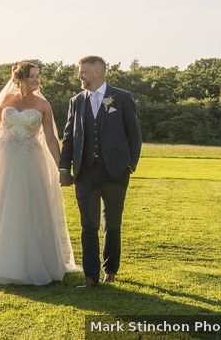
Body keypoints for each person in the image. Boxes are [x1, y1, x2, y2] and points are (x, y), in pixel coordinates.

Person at [0, 62, 78, 285]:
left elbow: (50, 138)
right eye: (32, 76)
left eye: (38, 76)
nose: (37, 80)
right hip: (3, 162)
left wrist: (61, 167)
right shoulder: (6, 101)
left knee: (28, 208)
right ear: (20, 78)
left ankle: (31, 262)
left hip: (30, 162)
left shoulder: (43, 105)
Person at [59, 56, 142, 289]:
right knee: (88, 225)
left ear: (98, 72)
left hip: (116, 172)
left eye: (83, 72)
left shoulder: (122, 98)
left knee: (112, 224)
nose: (79, 76)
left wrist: (129, 166)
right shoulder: (76, 101)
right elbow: (69, 137)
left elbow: (134, 135)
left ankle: (110, 270)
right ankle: (90, 276)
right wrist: (65, 167)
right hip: (85, 173)